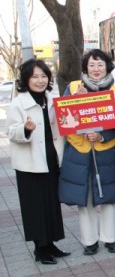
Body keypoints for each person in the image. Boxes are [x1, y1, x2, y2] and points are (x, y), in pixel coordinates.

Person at [58, 49, 115, 255]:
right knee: (85, 199)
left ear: (108, 67)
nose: (96, 69)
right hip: (80, 151)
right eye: (92, 65)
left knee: (109, 197)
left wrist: (101, 135)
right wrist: (76, 101)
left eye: (100, 65)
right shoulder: (73, 87)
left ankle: (110, 238)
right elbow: (64, 120)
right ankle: (90, 241)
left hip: (106, 150)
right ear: (85, 67)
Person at [7, 59, 69, 265]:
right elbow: (10, 132)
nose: (40, 80)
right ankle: (39, 249)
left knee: (51, 203)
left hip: (51, 159)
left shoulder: (51, 100)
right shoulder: (18, 103)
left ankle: (51, 244)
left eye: (44, 76)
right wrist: (26, 129)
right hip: (30, 162)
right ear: (26, 79)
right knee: (34, 207)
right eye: (35, 76)